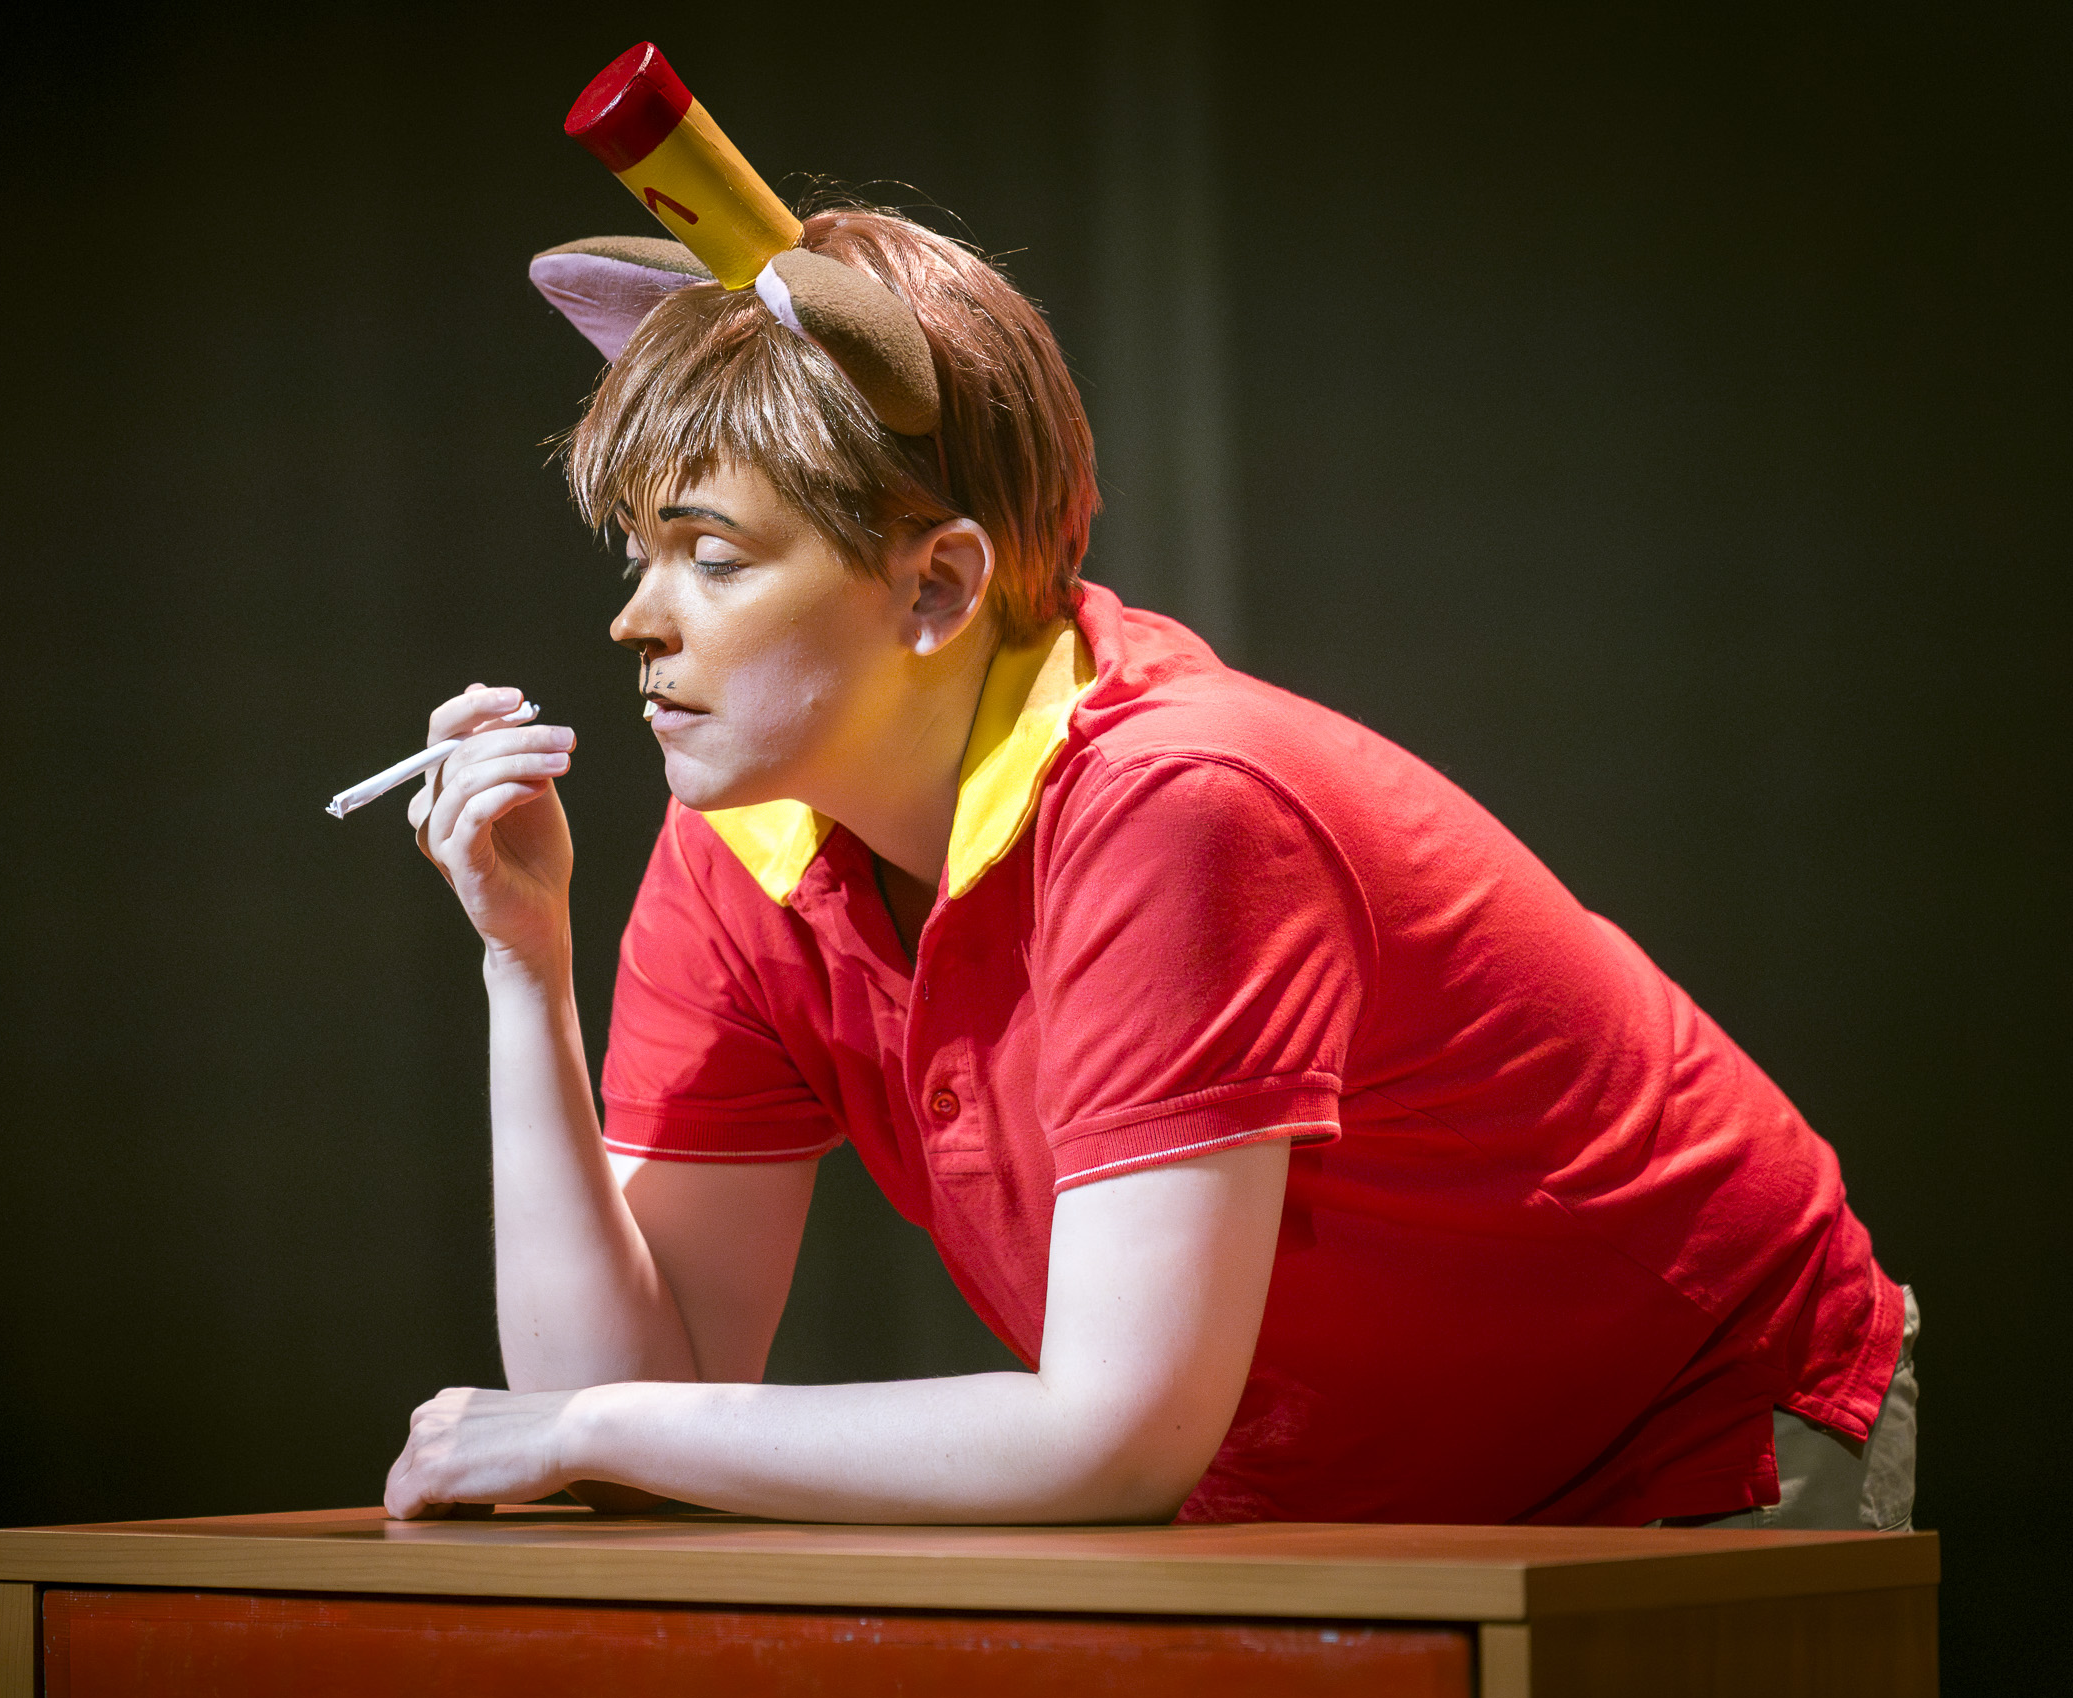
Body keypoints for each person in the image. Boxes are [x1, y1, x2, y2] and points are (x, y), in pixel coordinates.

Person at [377, 205, 1914, 1529]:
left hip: (1684, 1422)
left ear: (937, 586)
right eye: (639, 552)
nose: (636, 621)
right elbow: (607, 1410)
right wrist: (527, 966)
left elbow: (1111, 1435)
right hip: (1327, 1493)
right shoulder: (745, 845)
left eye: (712, 557)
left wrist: (599, 1427)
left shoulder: (1172, 807)